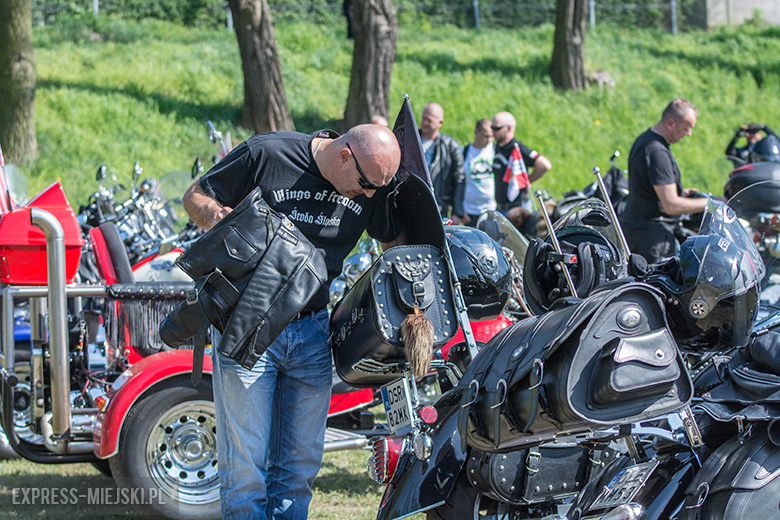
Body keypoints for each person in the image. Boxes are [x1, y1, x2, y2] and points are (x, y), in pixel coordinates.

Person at [182, 124, 404, 519]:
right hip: (247, 323)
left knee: (298, 470)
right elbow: (196, 195)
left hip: (313, 329)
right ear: (344, 155)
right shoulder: (268, 153)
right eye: (367, 183)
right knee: (246, 470)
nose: (371, 194)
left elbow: (393, 245)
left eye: (378, 187)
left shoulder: (373, 184)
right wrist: (220, 217)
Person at [620, 98, 710, 264]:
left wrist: (681, 193)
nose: (689, 133)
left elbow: (647, 187)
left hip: (638, 229)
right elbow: (671, 205)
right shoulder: (657, 152)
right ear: (670, 123)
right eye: (686, 128)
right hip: (651, 239)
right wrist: (712, 204)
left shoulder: (646, 139)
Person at [491, 111, 552, 212]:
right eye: (492, 128)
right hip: (500, 207)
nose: (493, 132)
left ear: (509, 128)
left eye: (497, 128)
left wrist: (526, 181)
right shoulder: (497, 146)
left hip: (517, 208)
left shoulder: (518, 149)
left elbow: (544, 165)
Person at [419, 102, 466, 223]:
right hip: (411, 204)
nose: (424, 123)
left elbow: (459, 179)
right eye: (423, 118)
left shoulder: (451, 146)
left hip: (438, 208)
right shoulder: (409, 140)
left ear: (440, 122)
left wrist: (457, 212)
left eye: (429, 120)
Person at [461, 118, 496, 225]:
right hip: (469, 211)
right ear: (476, 132)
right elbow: (456, 182)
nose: (489, 140)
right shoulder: (464, 152)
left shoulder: (495, 151)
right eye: (486, 136)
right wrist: (459, 210)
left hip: (492, 210)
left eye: (492, 136)